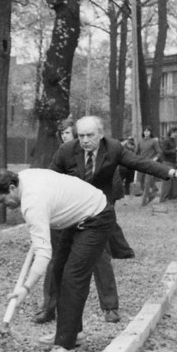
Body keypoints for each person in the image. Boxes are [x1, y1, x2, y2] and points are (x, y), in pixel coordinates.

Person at [0, 164, 177, 352]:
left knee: (73, 277)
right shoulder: (23, 178)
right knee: (58, 270)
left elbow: (42, 254)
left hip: (95, 217)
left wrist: (25, 288)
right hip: (73, 216)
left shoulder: (33, 203)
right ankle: (72, 331)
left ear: (12, 187)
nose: (3, 205)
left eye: (2, 200)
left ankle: (64, 347)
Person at [34, 116, 137, 326]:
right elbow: (50, 180)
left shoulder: (109, 150)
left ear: (98, 135)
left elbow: (133, 167)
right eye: (79, 136)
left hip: (94, 214)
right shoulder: (65, 154)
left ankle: (110, 307)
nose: (84, 140)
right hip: (66, 214)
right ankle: (49, 307)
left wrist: (171, 172)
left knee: (101, 258)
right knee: (56, 261)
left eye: (88, 135)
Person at [159, 127, 177, 201]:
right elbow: (164, 152)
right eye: (175, 133)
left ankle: (172, 198)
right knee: (167, 182)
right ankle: (163, 199)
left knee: (174, 182)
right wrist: (174, 150)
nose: (176, 135)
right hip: (167, 163)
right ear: (171, 132)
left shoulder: (174, 141)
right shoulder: (166, 140)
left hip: (173, 163)